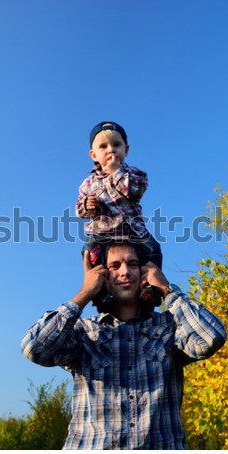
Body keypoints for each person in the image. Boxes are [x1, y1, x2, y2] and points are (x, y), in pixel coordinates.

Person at [21, 240, 227, 450]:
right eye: (114, 266)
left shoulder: (169, 327)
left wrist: (167, 290)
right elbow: (34, 348)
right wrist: (84, 294)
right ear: (101, 274)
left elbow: (211, 337)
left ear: (146, 272)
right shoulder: (83, 331)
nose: (125, 272)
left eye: (133, 264)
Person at [76, 121, 163, 312]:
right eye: (103, 147)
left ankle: (150, 288)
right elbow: (80, 211)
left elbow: (134, 192)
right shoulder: (88, 183)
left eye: (116, 145)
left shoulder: (135, 174)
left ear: (126, 149)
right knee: (89, 254)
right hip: (102, 232)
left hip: (132, 229)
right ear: (94, 155)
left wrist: (116, 172)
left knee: (153, 248)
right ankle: (101, 294)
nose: (111, 150)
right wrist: (86, 206)